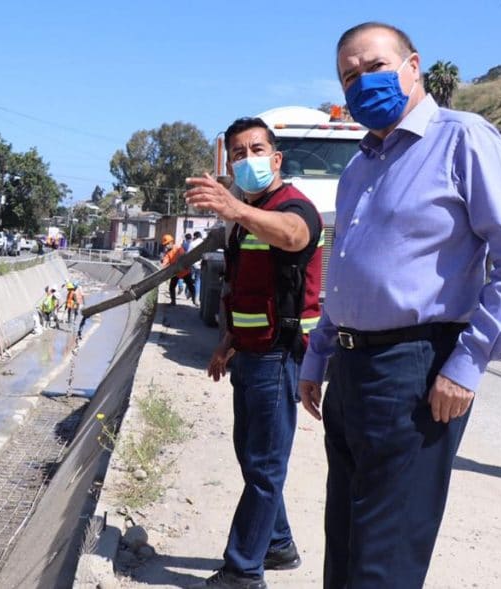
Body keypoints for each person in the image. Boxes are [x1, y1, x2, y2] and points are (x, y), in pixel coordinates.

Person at [297, 23, 501, 589]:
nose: (362, 82)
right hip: (352, 372)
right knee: (347, 542)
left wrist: (467, 364)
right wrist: (318, 357)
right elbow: (350, 271)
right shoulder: (359, 166)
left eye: (374, 66)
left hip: (417, 370)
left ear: (413, 66)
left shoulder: (464, 139)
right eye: (348, 76)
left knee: (386, 557)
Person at [185, 116, 322, 588]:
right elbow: (242, 289)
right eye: (238, 153)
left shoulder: (294, 208)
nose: (248, 160)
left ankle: (243, 572)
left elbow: (294, 236)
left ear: (277, 158)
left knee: (265, 466)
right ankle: (278, 544)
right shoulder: (246, 219)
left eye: (257, 150)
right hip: (249, 353)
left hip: (279, 355)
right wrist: (225, 345)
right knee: (253, 456)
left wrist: (235, 208)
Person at [160, 234, 194, 306]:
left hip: (185, 271)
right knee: (171, 287)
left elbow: (183, 257)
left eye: (166, 244)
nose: (165, 246)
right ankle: (173, 302)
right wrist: (163, 264)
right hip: (176, 272)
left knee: (190, 285)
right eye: (165, 245)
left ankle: (194, 299)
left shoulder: (179, 248)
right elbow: (165, 261)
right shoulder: (168, 253)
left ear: (171, 242)